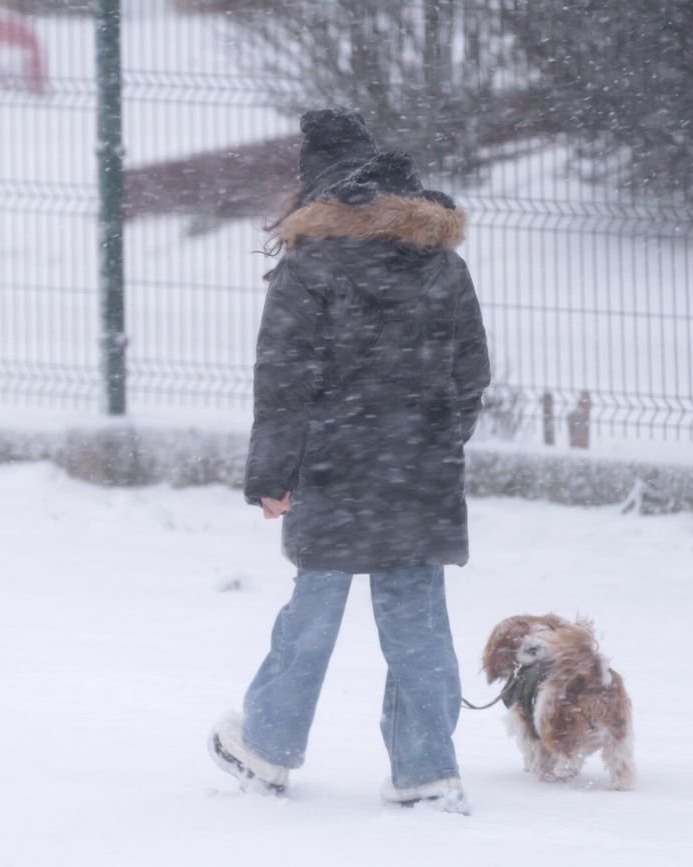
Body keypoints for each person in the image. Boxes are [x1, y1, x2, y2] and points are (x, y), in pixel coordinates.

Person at [208, 108, 490, 815]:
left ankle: (268, 748)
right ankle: (428, 769)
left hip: (332, 469)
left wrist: (273, 473)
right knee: (419, 619)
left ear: (318, 188)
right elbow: (470, 371)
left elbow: (283, 383)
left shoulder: (311, 267)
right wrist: (437, 438)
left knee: (313, 613)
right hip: (416, 474)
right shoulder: (441, 264)